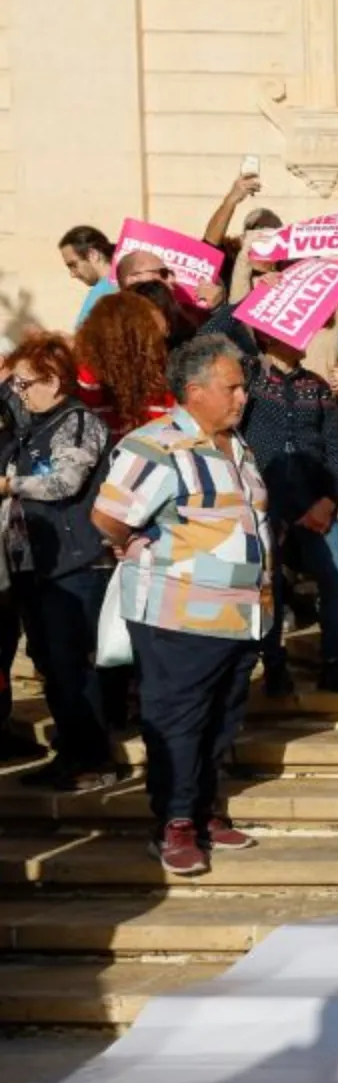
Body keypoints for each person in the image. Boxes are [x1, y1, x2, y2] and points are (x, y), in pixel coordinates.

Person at [88, 335, 270, 877]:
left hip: (241, 614)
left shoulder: (237, 445)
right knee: (177, 720)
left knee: (222, 718)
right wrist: (138, 545)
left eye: (243, 387)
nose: (242, 397)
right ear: (195, 391)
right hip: (180, 613)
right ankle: (173, 822)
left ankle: (204, 809)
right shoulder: (156, 444)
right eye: (232, 387)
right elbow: (109, 515)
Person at [2, 333, 119, 791]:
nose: (18, 392)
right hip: (35, 563)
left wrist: (11, 486)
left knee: (73, 663)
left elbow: (65, 482)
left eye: (25, 384)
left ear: (53, 380)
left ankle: (92, 759)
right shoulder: (31, 425)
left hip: (75, 563)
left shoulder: (77, 421)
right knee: (50, 663)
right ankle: (71, 754)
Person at [241, 326, 338, 695]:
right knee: (268, 584)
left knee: (335, 579)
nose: (305, 338)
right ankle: (274, 666)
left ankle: (334, 662)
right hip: (265, 501)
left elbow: (336, 450)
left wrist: (328, 499)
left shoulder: (317, 386)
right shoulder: (251, 378)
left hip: (315, 501)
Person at [74, 291, 175, 436]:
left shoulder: (160, 381)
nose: (163, 350)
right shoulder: (82, 385)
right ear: (132, 342)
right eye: (156, 340)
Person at [59, 227, 117, 326]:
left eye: (73, 265)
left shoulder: (102, 294)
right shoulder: (124, 282)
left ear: (93, 255)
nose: (72, 274)